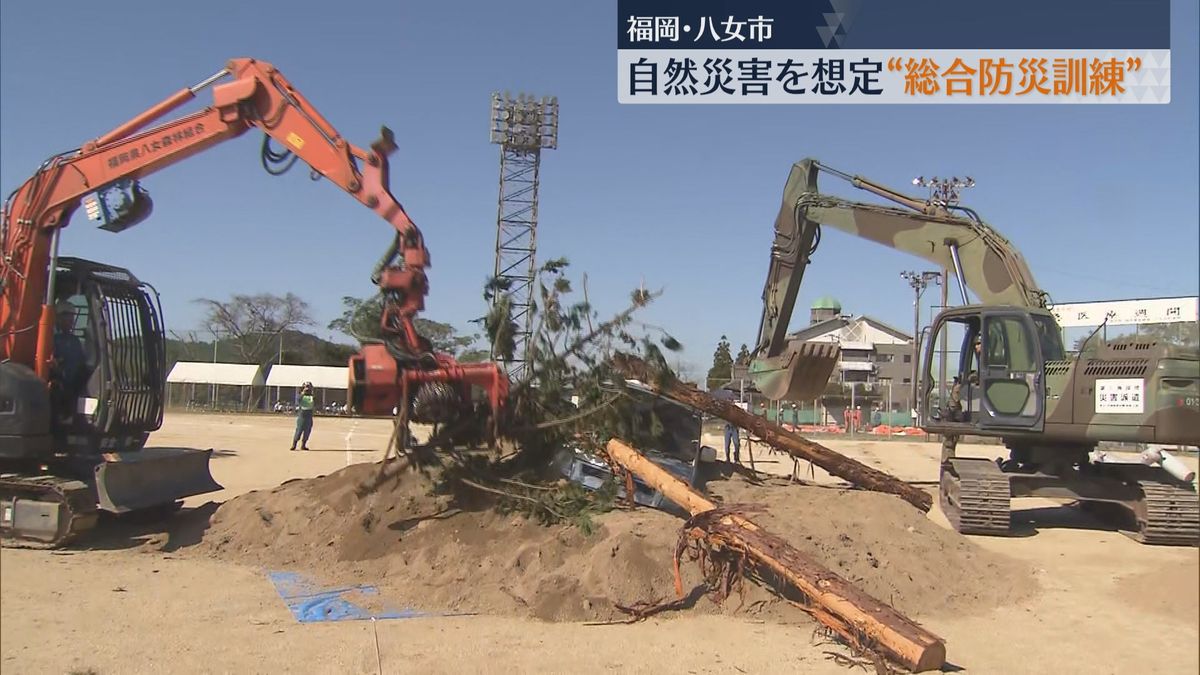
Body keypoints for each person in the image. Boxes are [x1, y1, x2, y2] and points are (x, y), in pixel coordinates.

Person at [51, 301, 88, 421]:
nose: (71, 320)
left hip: (73, 385)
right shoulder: (51, 339)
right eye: (68, 317)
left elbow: (81, 363)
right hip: (58, 385)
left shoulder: (75, 341)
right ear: (59, 318)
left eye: (72, 317)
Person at [290, 382, 315, 451]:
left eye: (309, 387)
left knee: (307, 431)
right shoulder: (301, 395)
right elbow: (298, 400)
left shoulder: (312, 396)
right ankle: (294, 444)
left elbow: (315, 402)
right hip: (302, 416)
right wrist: (303, 392)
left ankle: (303, 445)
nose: (307, 389)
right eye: (306, 387)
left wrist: (312, 393)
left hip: (309, 416)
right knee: (299, 430)